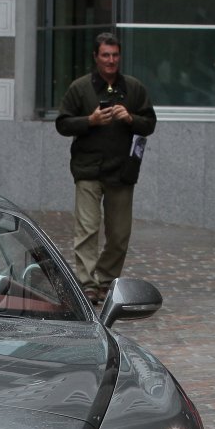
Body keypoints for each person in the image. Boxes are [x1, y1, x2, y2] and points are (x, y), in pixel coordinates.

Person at [53, 33, 157, 303]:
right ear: (96, 57)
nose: (111, 60)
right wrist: (90, 120)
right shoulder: (80, 88)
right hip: (88, 169)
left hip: (122, 171)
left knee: (119, 234)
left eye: (115, 55)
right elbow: (62, 124)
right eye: (105, 55)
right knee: (87, 229)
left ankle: (107, 279)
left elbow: (149, 124)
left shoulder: (133, 88)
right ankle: (87, 283)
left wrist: (131, 118)